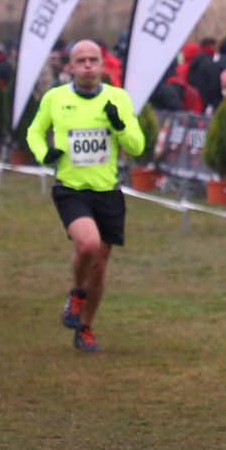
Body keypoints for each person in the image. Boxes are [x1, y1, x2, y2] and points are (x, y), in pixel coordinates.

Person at [26, 39, 145, 353]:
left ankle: (86, 327)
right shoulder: (55, 98)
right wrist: (44, 153)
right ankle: (77, 294)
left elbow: (137, 147)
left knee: (100, 267)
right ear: (71, 67)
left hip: (107, 190)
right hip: (71, 189)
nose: (88, 66)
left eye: (94, 59)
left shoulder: (117, 98)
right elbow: (34, 132)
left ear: (103, 65)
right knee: (88, 244)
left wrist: (119, 125)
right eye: (81, 61)